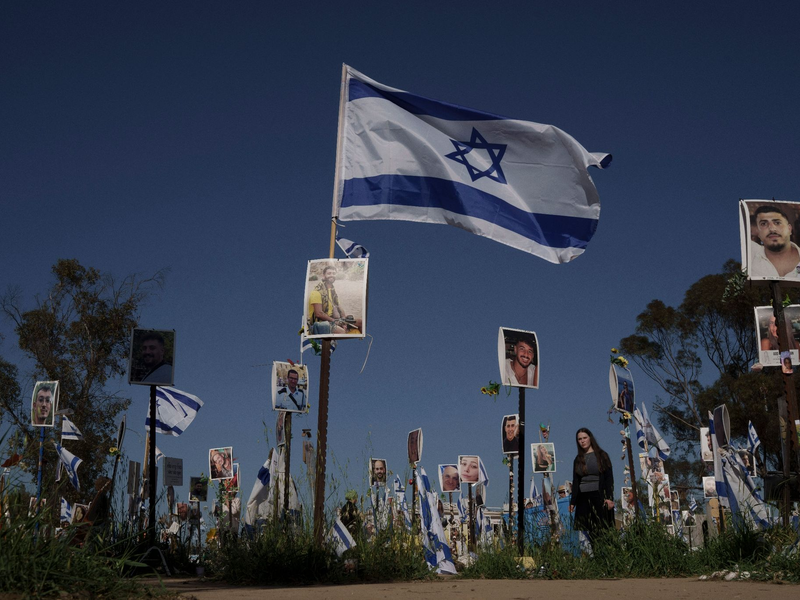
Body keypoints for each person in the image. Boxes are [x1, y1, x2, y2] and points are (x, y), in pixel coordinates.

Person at [569, 428, 614, 548]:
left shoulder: (602, 455)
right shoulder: (578, 459)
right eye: (579, 439)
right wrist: (573, 501)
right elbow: (576, 481)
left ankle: (604, 556)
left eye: (584, 438)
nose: (582, 441)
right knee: (586, 530)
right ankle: (592, 557)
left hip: (598, 495)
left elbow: (609, 478)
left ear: (590, 438)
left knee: (601, 528)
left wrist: (609, 497)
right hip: (583, 497)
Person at [308, 265, 362, 335]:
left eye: (333, 273)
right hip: (321, 323)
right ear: (323, 275)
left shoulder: (332, 291)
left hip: (334, 320)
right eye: (329, 273)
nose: (332, 275)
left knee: (361, 322)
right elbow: (319, 314)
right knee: (342, 332)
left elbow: (339, 307)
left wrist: (343, 321)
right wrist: (335, 321)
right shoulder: (316, 292)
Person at [749, 205, 800, 279]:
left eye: (777, 223)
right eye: (764, 224)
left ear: (789, 229)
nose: (772, 229)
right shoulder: (752, 254)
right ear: (758, 233)